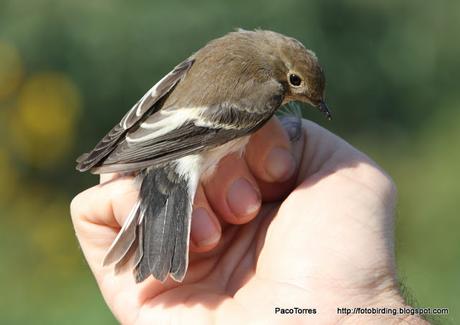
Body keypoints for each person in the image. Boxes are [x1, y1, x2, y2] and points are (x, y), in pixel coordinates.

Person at [70, 116, 426, 324]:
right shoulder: (259, 90)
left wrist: (357, 309)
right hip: (183, 150)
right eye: (294, 84)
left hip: (160, 133)